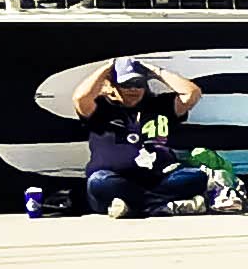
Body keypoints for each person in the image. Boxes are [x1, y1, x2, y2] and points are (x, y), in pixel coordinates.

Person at [61, 55, 207, 219]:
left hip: (157, 179)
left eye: (139, 84)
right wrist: (108, 68)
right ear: (113, 85)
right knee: (98, 182)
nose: (133, 89)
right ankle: (161, 205)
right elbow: (80, 98)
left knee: (196, 176)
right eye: (126, 84)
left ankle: (137, 207)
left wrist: (156, 71)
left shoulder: (160, 105)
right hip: (116, 182)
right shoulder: (101, 108)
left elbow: (192, 93)